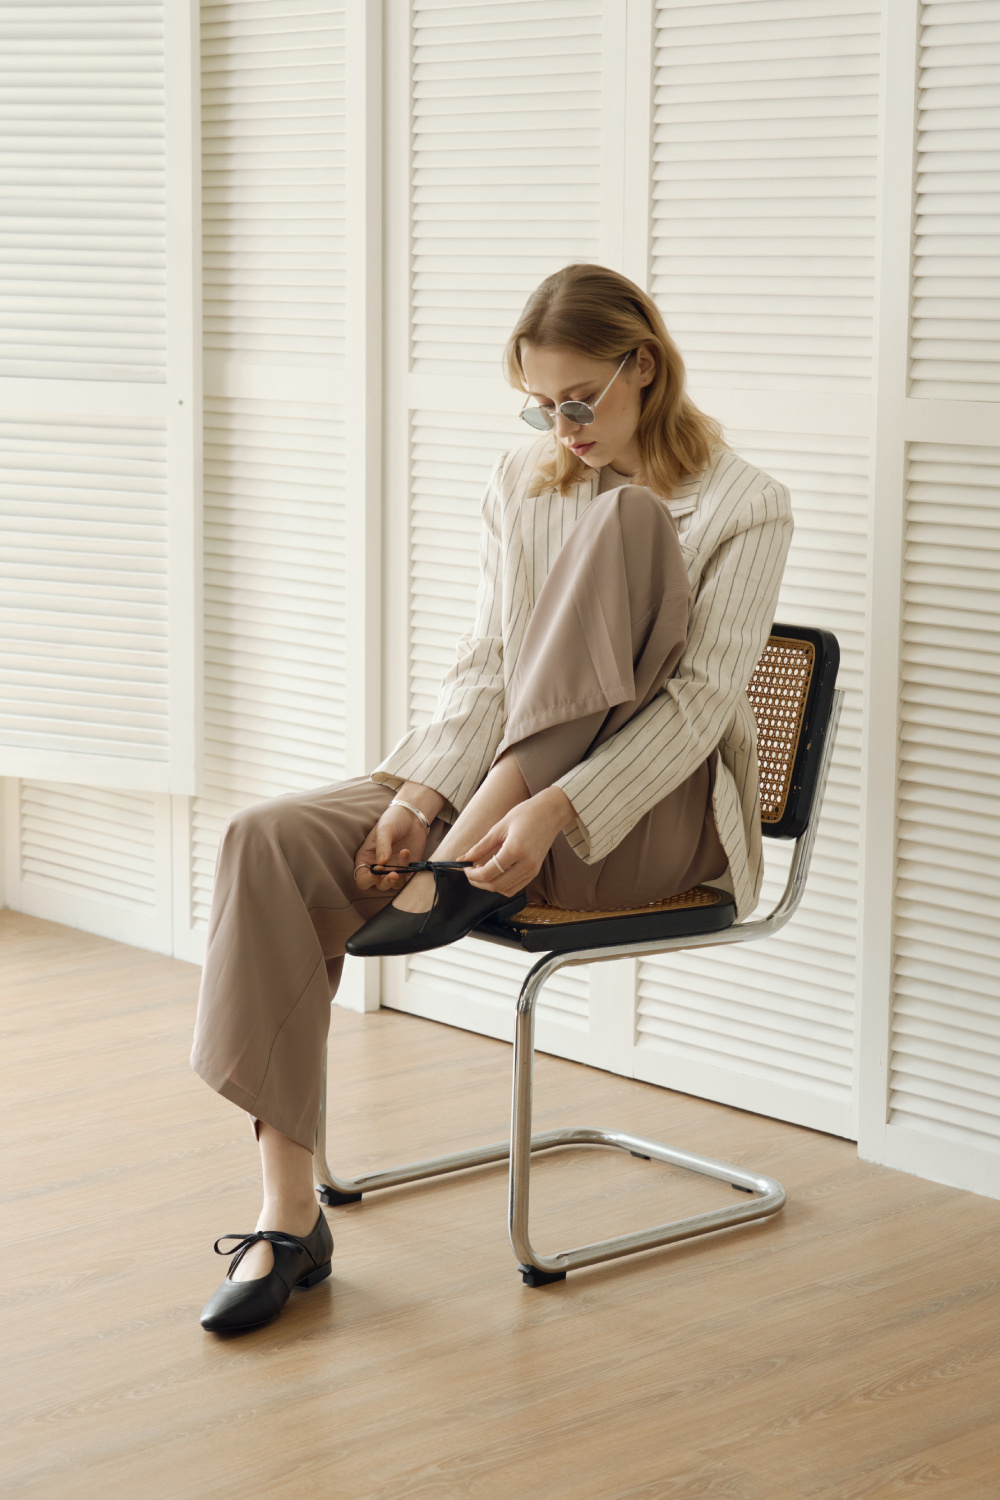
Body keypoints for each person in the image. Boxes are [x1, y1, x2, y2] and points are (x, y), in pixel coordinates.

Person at [192, 263, 794, 1333]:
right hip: (483, 807)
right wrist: (422, 797)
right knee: (265, 840)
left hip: (636, 821)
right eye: (539, 406)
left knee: (627, 523)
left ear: (642, 366)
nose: (561, 429)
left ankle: (458, 853)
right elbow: (485, 664)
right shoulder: (523, 478)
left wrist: (551, 806)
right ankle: (289, 1219)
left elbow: (699, 706)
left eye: (579, 401)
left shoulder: (745, 503)